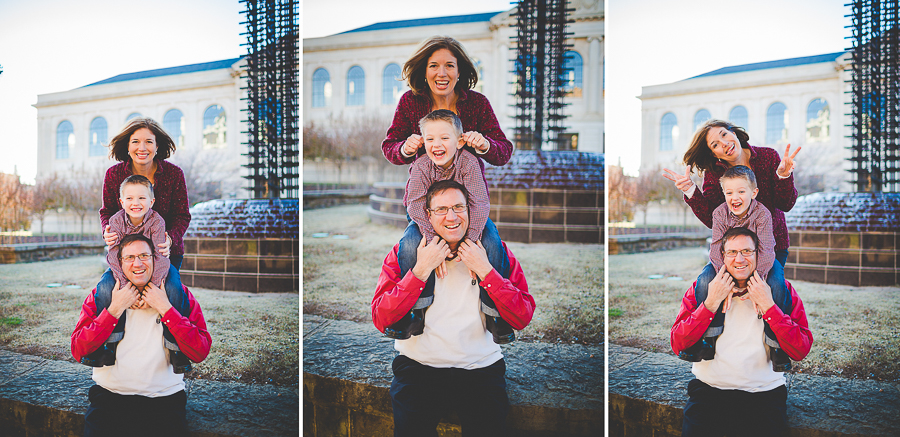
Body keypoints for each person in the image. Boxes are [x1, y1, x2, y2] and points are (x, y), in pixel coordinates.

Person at [372, 180, 536, 436]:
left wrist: (485, 270)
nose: (451, 216)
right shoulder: (407, 252)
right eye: (441, 209)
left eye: (459, 207)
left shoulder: (494, 253)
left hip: (480, 368)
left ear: (471, 210)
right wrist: (420, 270)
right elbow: (381, 316)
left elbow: (523, 314)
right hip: (418, 367)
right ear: (427, 215)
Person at [385, 109, 514, 344]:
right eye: (431, 139)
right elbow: (414, 205)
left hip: (470, 218)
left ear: (460, 140)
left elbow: (480, 203)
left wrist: (470, 240)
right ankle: (415, 311)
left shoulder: (469, 162)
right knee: (409, 244)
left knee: (492, 243)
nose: (437, 144)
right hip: (427, 221)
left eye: (445, 138)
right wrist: (436, 241)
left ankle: (495, 314)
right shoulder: (422, 165)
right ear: (423, 142)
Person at [671, 227, 813, 436]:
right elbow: (678, 343)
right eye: (732, 252)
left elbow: (801, 349)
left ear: (759, 254)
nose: (739, 259)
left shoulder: (780, 290)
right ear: (722, 256)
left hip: (764, 396)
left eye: (747, 251)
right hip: (708, 393)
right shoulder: (703, 288)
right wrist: (710, 304)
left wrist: (769, 307)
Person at [72, 234, 211, 437]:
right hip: (109, 399)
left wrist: (166, 308)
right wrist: (114, 310)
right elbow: (78, 349)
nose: (137, 263)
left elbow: (200, 351)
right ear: (119, 263)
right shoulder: (102, 295)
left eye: (145, 255)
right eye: (129, 257)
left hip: (165, 401)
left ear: (156, 259)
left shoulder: (178, 295)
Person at [677, 166, 791, 371]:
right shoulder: (720, 213)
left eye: (741, 191)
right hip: (727, 263)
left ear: (753, 193)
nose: (734, 197)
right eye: (729, 192)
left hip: (759, 261)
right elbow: (715, 250)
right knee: (705, 281)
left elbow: (766, 251)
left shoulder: (762, 214)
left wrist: (756, 282)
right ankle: (709, 340)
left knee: (777, 283)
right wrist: (726, 281)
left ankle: (776, 345)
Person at [81, 175, 192, 372]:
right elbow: (114, 256)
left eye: (142, 198)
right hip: (122, 270)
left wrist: (152, 289)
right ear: (122, 202)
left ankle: (175, 347)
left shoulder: (157, 221)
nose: (136, 203)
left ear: (152, 201)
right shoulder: (115, 221)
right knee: (105, 287)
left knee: (174, 288)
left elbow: (160, 255)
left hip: (156, 267)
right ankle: (109, 344)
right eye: (130, 198)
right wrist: (127, 288)